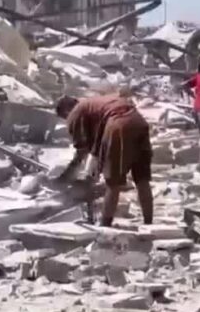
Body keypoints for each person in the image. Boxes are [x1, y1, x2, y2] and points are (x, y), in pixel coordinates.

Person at [54, 93, 154, 227]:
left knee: (113, 182)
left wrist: (66, 176)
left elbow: (82, 151)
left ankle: (105, 225)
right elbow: (96, 145)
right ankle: (149, 223)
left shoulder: (76, 113)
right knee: (142, 179)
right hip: (138, 122)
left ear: (66, 111)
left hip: (119, 124)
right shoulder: (94, 103)